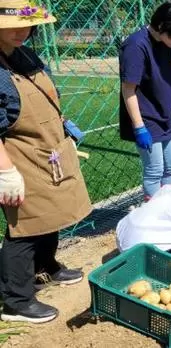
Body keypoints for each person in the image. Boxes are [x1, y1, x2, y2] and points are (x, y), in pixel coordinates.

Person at [0, 1, 92, 323]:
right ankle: (16, 301)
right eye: (13, 25)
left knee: (51, 215)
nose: (23, 30)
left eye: (28, 25)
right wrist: (5, 171)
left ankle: (46, 267)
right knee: (24, 228)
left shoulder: (24, 54)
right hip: (18, 158)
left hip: (47, 151)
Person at [119, 0, 171, 202]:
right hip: (146, 119)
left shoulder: (169, 43)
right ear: (162, 27)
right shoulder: (136, 46)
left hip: (166, 116)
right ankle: (154, 212)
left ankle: (169, 204)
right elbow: (128, 89)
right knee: (154, 170)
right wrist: (139, 127)